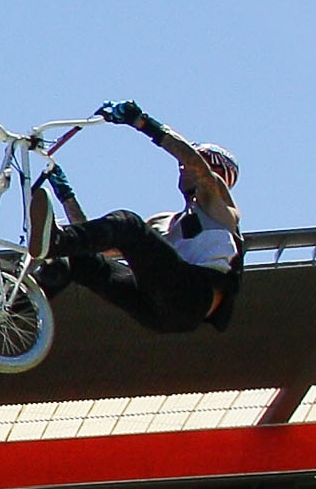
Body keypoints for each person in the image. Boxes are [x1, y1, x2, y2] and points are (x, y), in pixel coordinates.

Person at [32, 100, 245, 334]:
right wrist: (66, 194)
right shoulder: (163, 222)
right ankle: (7, 313)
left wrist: (143, 123)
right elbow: (96, 245)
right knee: (77, 259)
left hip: (195, 296)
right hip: (161, 314)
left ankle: (55, 241)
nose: (181, 167)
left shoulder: (221, 208)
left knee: (128, 222)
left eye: (187, 163)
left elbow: (197, 165)